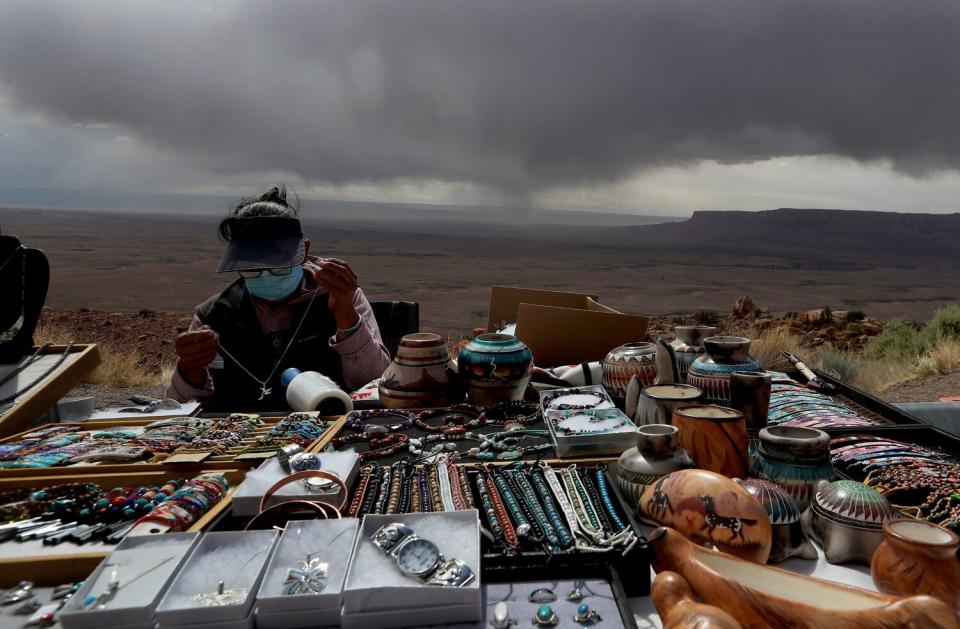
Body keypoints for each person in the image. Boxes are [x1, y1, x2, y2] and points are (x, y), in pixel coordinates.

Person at [167, 186, 390, 411]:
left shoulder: (341, 297)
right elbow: (182, 410)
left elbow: (376, 384)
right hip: (243, 436)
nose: (266, 276)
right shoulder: (214, 314)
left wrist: (345, 315)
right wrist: (190, 369)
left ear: (304, 250)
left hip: (330, 430)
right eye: (253, 270)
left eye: (279, 268)